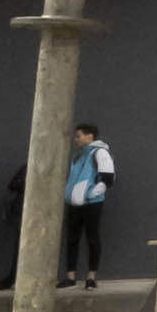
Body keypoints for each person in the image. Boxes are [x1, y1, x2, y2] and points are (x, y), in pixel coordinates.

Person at [61, 123, 114, 289]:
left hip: (91, 204)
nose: (76, 139)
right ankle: (70, 276)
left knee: (92, 238)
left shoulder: (100, 153)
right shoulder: (77, 155)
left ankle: (91, 277)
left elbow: (108, 178)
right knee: (72, 239)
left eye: (79, 136)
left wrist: (92, 194)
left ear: (89, 136)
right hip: (74, 203)